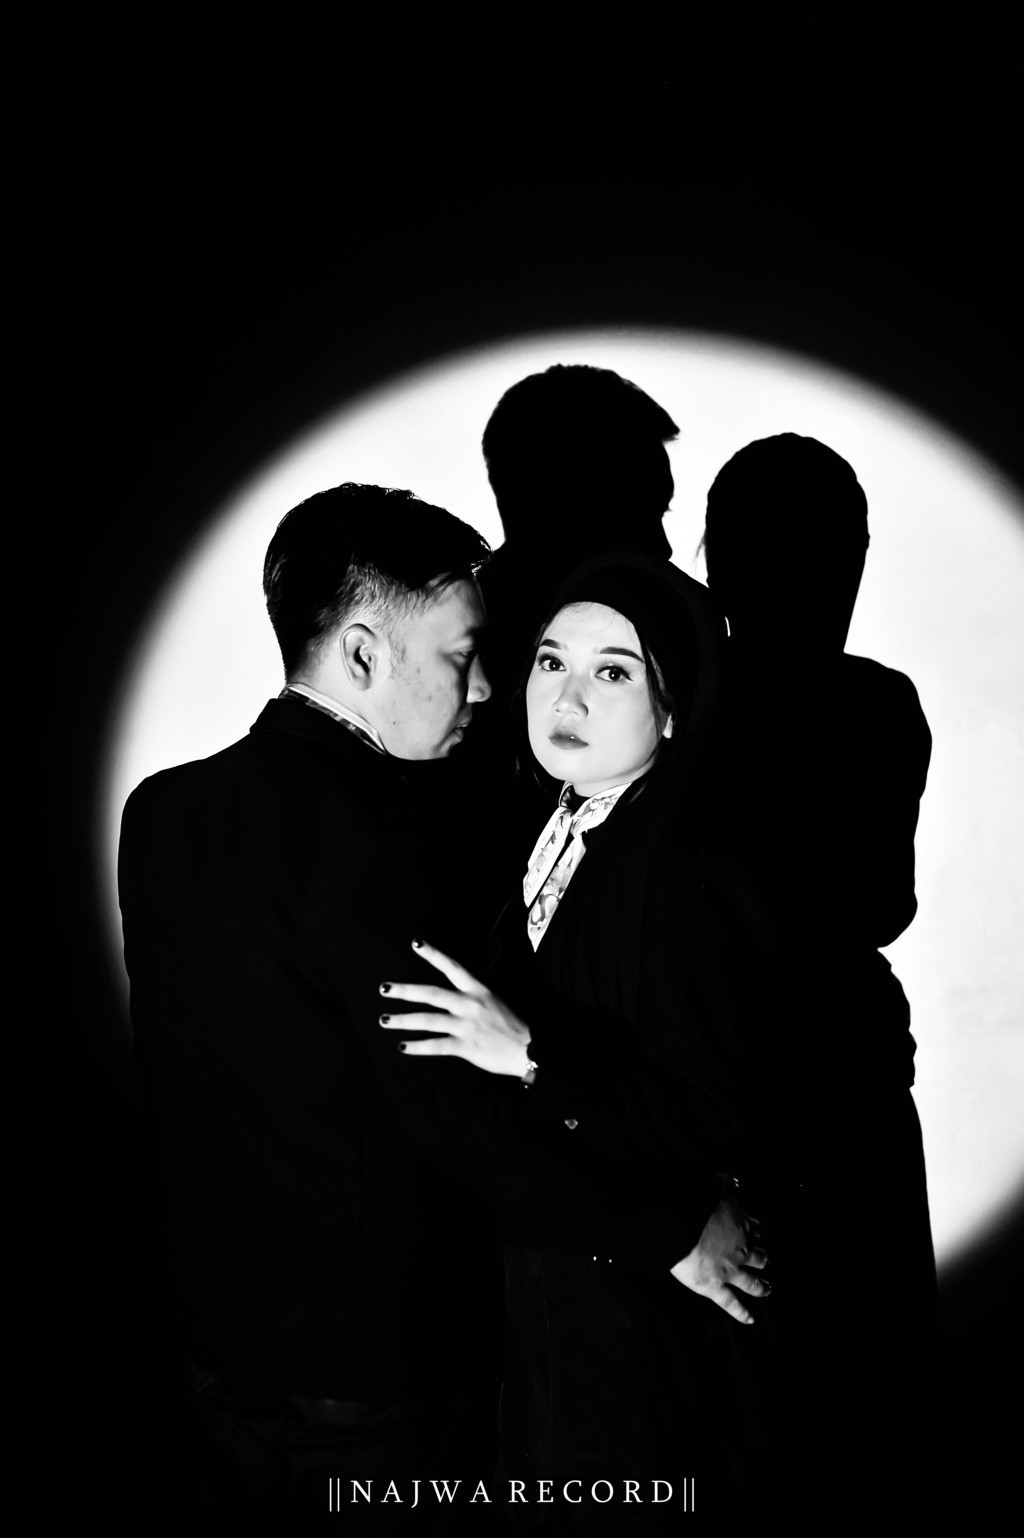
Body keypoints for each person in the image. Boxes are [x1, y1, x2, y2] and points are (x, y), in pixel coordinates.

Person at [119, 483, 763, 1525]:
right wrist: (677, 1232)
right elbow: (453, 1112)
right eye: (464, 654)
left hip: (211, 1350)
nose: (486, 686)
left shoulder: (162, 812)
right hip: (376, 1372)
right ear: (363, 654)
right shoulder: (388, 837)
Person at [382, 555, 771, 1528]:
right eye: (551, 661)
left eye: (613, 671)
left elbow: (705, 1120)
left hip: (644, 1326)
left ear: (673, 710)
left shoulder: (682, 872)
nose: (566, 697)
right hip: (549, 1300)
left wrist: (530, 1052)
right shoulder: (545, 824)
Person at [698, 434, 937, 1516]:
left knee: (759, 1413)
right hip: (829, 1082)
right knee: (863, 1409)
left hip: (739, 1085)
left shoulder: (678, 702)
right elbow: (882, 901)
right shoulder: (874, 703)